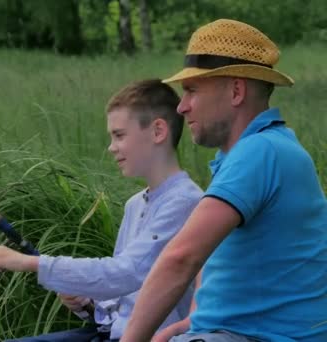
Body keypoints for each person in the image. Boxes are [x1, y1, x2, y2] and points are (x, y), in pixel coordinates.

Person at [120, 19, 327, 342]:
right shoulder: (257, 151)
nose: (182, 106)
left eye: (192, 90)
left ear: (236, 90)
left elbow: (181, 258)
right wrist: (190, 322)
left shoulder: (261, 151)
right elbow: (216, 255)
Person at [0, 79, 203, 341]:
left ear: (158, 131)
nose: (111, 147)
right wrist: (88, 306)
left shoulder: (187, 202)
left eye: (119, 135)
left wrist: (29, 263)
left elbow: (127, 273)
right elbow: (123, 295)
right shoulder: (135, 204)